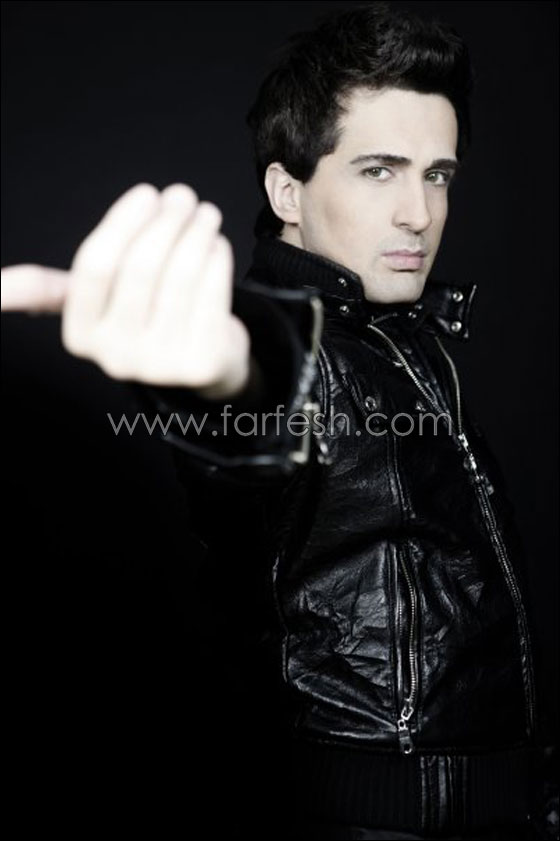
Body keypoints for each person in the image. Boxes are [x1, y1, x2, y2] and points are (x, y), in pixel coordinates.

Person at [1, 3, 557, 839]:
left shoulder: (411, 341)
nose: (419, 212)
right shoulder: (304, 344)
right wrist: (218, 376)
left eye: (437, 174)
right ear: (286, 190)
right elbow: (265, 379)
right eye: (379, 170)